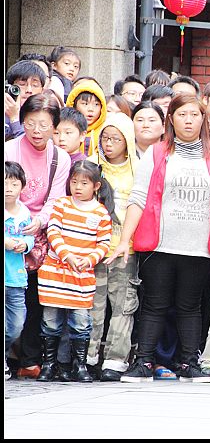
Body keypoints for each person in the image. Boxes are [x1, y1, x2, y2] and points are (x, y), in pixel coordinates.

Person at [108, 94, 210, 383]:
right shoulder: (156, 153)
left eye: (194, 114)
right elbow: (138, 198)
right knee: (154, 304)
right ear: (171, 119)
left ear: (204, 119)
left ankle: (189, 363)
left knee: (190, 306)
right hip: (159, 244)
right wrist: (123, 240)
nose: (188, 120)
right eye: (182, 114)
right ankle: (143, 362)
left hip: (199, 247)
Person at [6, 93, 71, 380]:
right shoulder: (9, 150)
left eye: (44, 125)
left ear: (54, 126)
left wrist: (39, 221)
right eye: (31, 123)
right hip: (8, 225)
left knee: (32, 297)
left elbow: (55, 198)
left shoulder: (60, 157)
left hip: (37, 234)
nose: (36, 131)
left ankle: (29, 359)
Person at [36, 161, 114, 383]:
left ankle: (79, 365)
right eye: (74, 182)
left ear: (96, 186)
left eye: (84, 183)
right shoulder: (62, 204)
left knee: (81, 322)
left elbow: (103, 244)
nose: (78, 187)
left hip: (81, 275)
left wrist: (89, 260)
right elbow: (53, 232)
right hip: (56, 272)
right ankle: (49, 364)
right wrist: (67, 255)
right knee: (51, 321)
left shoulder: (101, 213)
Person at [86, 112, 140, 381]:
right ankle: (88, 356)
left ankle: (115, 359)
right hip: (94, 248)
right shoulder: (91, 167)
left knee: (123, 305)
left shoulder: (138, 170)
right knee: (92, 304)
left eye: (115, 139)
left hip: (126, 248)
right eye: (105, 138)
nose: (108, 144)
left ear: (127, 141)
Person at [4, 161, 35, 381]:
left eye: (14, 184)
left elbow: (30, 237)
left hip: (16, 277)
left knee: (16, 325)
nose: (8, 189)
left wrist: (25, 244)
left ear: (22, 187)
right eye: (5, 183)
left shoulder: (24, 213)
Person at [5, 60, 47, 140]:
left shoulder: (47, 115)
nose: (29, 90)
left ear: (42, 90)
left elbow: (30, 144)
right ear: (10, 87)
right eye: (22, 84)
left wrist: (14, 118)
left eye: (35, 85)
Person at [65, 78, 107, 157]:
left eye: (96, 104)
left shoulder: (105, 132)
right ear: (74, 105)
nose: (91, 109)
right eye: (85, 104)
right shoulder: (64, 128)